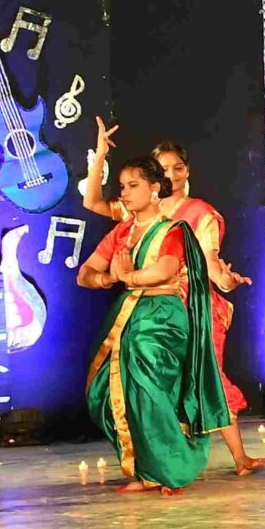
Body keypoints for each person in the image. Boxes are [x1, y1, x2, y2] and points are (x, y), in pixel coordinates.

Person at [80, 122, 264, 477]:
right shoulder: (136, 211)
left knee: (206, 376)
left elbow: (209, 263)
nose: (172, 175)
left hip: (191, 305)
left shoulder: (199, 213)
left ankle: (235, 458)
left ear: (187, 170)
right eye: (164, 169)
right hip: (145, 305)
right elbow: (92, 202)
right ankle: (160, 462)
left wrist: (227, 280)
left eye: (178, 167)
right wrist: (100, 155)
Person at [79, 153, 223, 493]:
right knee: (116, 394)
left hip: (163, 317)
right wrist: (108, 279)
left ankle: (172, 470)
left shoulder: (173, 230)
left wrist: (127, 275)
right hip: (128, 315)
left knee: (152, 392)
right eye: (122, 187)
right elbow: (85, 274)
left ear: (155, 188)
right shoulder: (122, 232)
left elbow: (164, 270)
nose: (125, 193)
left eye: (133, 186)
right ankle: (146, 471)